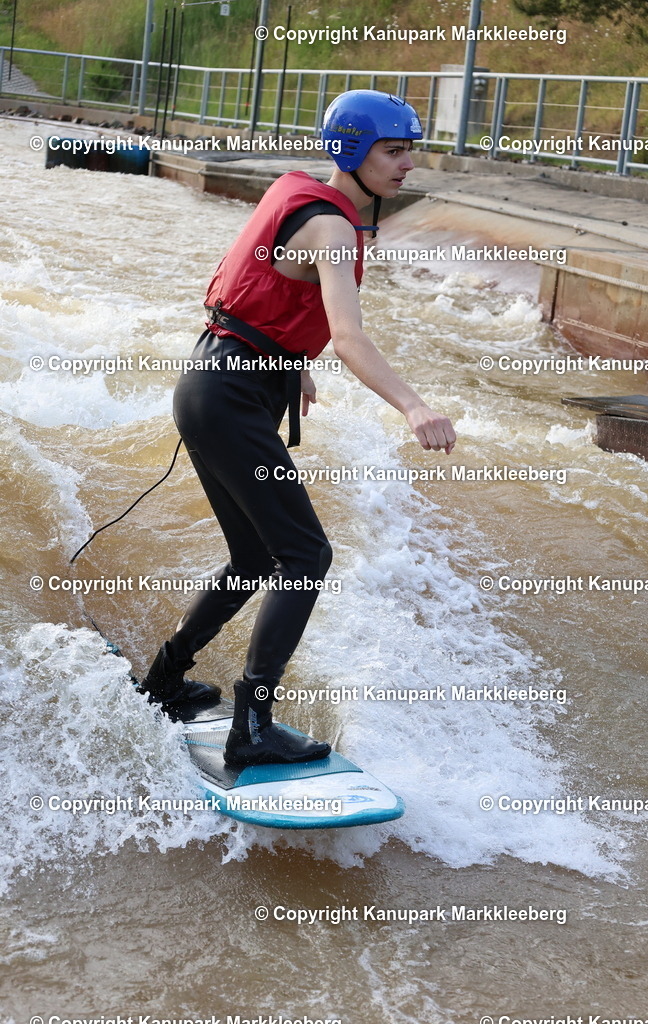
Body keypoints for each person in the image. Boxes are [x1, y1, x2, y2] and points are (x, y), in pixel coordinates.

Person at [139, 89, 457, 767]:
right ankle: (252, 726)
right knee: (306, 556)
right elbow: (349, 337)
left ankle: (165, 677)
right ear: (351, 150)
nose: (407, 164)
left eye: (410, 150)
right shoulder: (334, 228)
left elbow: (262, 293)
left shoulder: (298, 195)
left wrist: (291, 362)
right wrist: (413, 406)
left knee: (257, 558)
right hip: (229, 396)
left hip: (211, 384)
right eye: (393, 151)